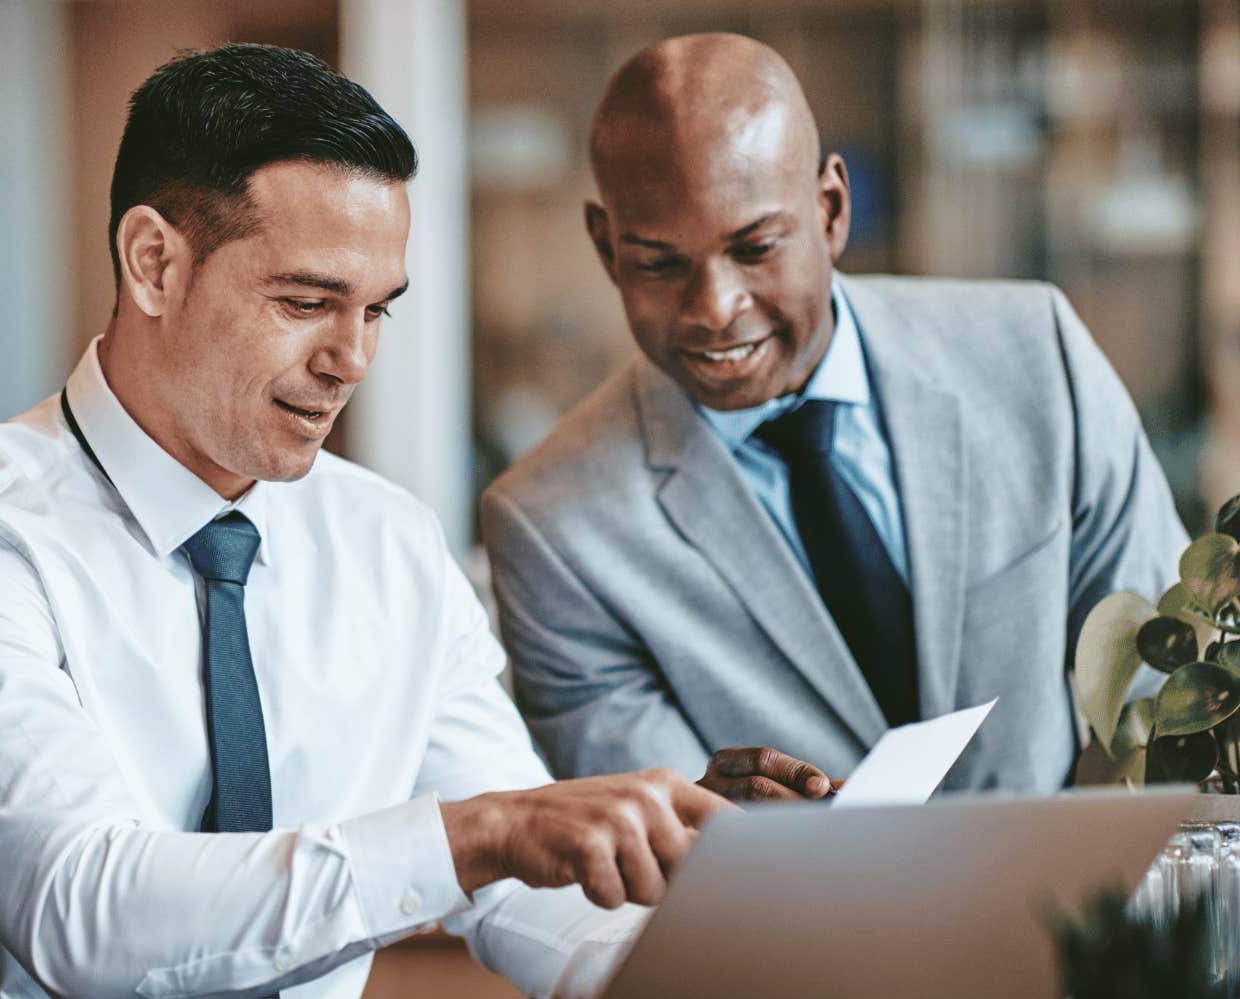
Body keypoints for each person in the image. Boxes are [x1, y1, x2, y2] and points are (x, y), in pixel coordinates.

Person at [0, 43, 826, 999]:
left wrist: (777, 953)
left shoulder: (385, 545)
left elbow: (526, 893)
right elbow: (88, 920)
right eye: (306, 302)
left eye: (377, 308)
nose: (351, 358)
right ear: (154, 262)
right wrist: (482, 833)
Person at [482, 33, 1189, 794]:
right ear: (605, 247)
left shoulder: (1035, 360)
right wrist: (711, 828)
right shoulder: (552, 527)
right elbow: (659, 835)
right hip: (786, 914)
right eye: (659, 262)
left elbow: (1164, 703)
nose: (715, 310)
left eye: (755, 247)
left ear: (831, 210)